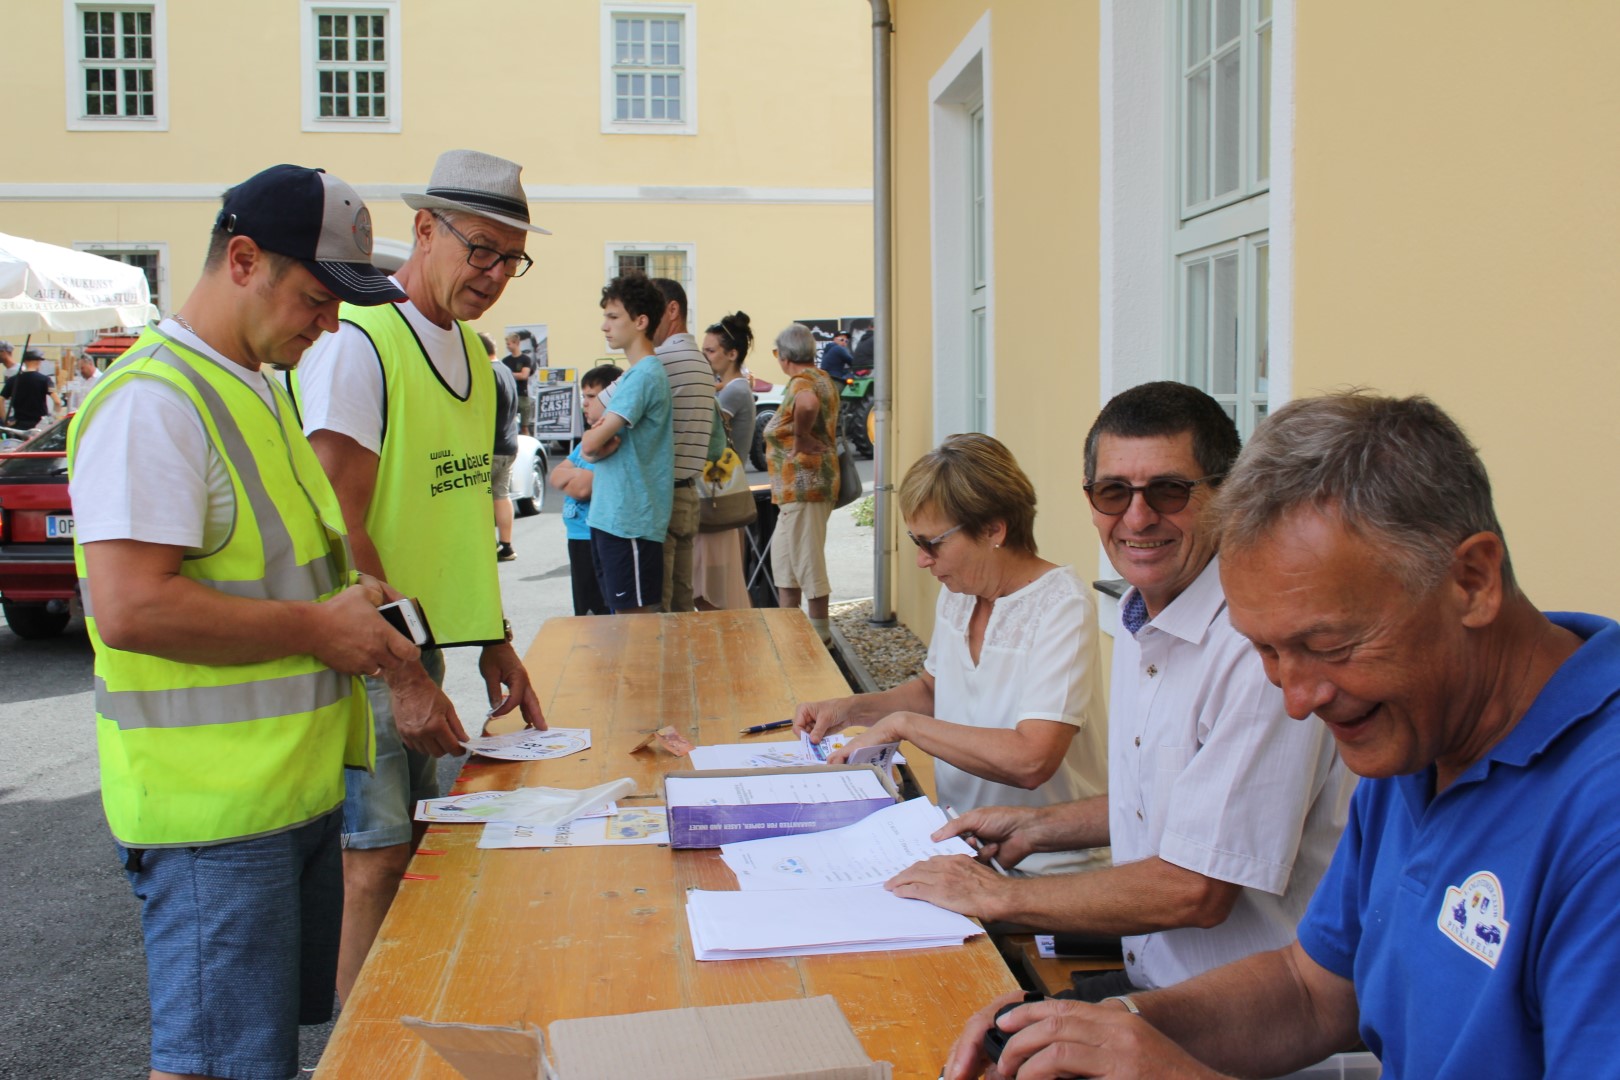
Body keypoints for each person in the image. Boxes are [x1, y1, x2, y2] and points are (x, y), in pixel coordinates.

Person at [942, 391, 1619, 1080]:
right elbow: (1312, 989)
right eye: (1266, 651)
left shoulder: (1597, 814)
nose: (1297, 702)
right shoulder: (1422, 739)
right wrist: (1101, 1031)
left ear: (1472, 581)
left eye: (1328, 644)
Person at [68, 163, 419, 1080]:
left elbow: (289, 568)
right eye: (315, 297)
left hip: (278, 797)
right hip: (213, 817)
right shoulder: (155, 401)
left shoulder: (253, 381)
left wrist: (360, 611)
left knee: (244, 1055)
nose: (330, 324)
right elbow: (133, 606)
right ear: (242, 259)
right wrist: (318, 629)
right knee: (219, 1061)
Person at [893, 382, 1349, 999]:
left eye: (1169, 490)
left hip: (1247, 1021)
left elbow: (1199, 888)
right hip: (1156, 980)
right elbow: (1163, 803)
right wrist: (1041, 828)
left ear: (1228, 494)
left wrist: (1000, 895)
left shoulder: (1257, 646)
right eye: (1113, 493)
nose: (1136, 518)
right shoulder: (1143, 613)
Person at [291, 148, 548, 1003]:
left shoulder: (477, 362)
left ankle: (407, 1024)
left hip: (420, 645)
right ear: (425, 228)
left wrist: (494, 641)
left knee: (424, 846)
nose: (496, 275)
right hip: (367, 651)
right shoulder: (359, 342)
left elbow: (459, 518)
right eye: (481, 249)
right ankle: (354, 1053)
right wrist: (401, 669)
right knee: (375, 858)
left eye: (511, 257)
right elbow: (338, 526)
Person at [797, 434, 1108, 873]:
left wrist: (902, 726)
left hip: (1047, 864)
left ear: (993, 530)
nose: (923, 560)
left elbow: (1032, 760)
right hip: (963, 842)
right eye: (915, 541)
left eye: (932, 543)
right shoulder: (962, 589)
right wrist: (850, 709)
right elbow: (933, 690)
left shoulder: (1061, 606)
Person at [597, 277, 715, 612]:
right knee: (680, 604)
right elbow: (717, 445)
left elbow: (597, 408)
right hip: (688, 494)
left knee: (653, 613)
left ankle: (664, 667)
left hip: (654, 497)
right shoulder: (701, 363)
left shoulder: (655, 362)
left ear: (671, 310)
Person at [580, 273, 673, 614]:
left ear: (641, 321)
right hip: (615, 517)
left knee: (637, 627)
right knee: (625, 623)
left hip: (630, 518)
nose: (605, 326)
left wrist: (594, 445)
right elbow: (593, 429)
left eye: (613, 316)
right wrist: (594, 442)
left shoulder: (645, 374)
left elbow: (590, 444)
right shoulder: (634, 374)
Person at [763, 322, 840, 642]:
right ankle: (790, 637)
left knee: (807, 563)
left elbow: (807, 405)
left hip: (805, 487)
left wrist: (802, 438)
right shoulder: (821, 377)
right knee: (786, 566)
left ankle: (821, 639)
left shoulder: (802, 383)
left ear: (784, 356)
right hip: (797, 492)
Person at [692, 311, 756, 611]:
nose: (705, 356)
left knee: (713, 589)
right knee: (717, 585)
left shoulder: (735, 391)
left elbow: (706, 431)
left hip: (718, 493)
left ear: (732, 354)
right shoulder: (732, 387)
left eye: (710, 350)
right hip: (721, 491)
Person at [549, 364, 618, 616]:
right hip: (576, 537)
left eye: (591, 396)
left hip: (595, 537)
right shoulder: (586, 442)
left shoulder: (609, 439)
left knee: (600, 615)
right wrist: (575, 476)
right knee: (584, 613)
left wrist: (574, 476)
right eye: (584, 396)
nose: (585, 403)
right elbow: (555, 476)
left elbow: (581, 489)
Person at [482, 331, 520, 562]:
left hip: (490, 447)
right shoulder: (505, 370)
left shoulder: (487, 373)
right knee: (501, 495)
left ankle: (487, 546)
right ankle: (506, 546)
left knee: (481, 499)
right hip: (509, 444)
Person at [2, 350, 57, 430]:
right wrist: (55, 415)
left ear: (24, 362)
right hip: (40, 425)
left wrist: (5, 420)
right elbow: (57, 401)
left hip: (19, 425)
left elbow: (1, 400)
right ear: (39, 362)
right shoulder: (46, 380)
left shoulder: (13, 380)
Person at [504, 330, 535, 435]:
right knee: (509, 425)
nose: (507, 346)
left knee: (524, 427)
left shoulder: (525, 359)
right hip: (510, 395)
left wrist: (510, 374)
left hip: (522, 395)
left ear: (516, 343)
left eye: (509, 344)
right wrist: (516, 375)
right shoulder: (505, 361)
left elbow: (524, 375)